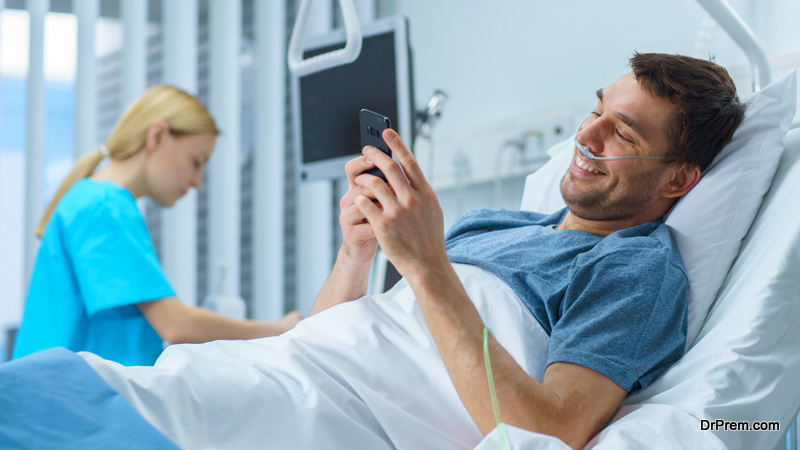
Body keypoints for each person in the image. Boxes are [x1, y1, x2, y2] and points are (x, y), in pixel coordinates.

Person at [3, 53, 745, 449]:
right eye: (596, 111)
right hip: (277, 372)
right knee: (47, 389)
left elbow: (548, 432)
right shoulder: (494, 225)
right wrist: (355, 258)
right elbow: (340, 337)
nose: (586, 136)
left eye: (624, 133)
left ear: (678, 179)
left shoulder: (637, 270)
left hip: (316, 413)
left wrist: (426, 265)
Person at [12, 85, 302, 367]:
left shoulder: (96, 201)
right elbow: (175, 324)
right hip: (64, 405)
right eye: (196, 162)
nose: (197, 182)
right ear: (158, 136)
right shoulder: (103, 207)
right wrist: (279, 329)